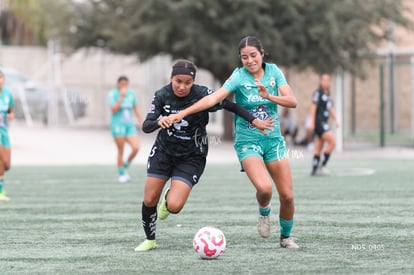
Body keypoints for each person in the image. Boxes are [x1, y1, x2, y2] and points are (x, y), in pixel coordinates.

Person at [169, 36, 300, 249]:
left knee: (287, 195)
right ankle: (264, 210)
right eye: (244, 57)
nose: (249, 60)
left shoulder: (274, 72)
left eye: (253, 55)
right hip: (248, 141)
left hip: (273, 140)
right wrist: (183, 112)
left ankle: (286, 237)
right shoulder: (238, 76)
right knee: (265, 189)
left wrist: (269, 96)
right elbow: (213, 99)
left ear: (262, 54)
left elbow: (292, 101)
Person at [135, 60, 272, 252]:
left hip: (192, 157)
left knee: (174, 206)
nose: (182, 86)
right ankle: (150, 239)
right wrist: (160, 121)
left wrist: (254, 120)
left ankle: (168, 200)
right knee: (149, 199)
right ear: (171, 78)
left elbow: (231, 106)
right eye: (178, 81)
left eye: (187, 82)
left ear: (193, 82)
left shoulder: (202, 94)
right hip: (163, 153)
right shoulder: (161, 95)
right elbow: (146, 126)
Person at [108, 76, 144, 183]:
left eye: (125, 84)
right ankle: (122, 174)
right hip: (117, 125)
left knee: (136, 147)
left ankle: (125, 165)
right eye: (122, 83)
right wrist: (121, 97)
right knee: (121, 149)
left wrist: (142, 120)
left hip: (129, 125)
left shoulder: (131, 93)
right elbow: (114, 109)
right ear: (118, 84)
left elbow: (136, 108)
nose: (124, 86)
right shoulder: (113, 94)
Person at [309, 74, 339, 176]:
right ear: (320, 81)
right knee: (332, 142)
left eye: (327, 80)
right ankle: (323, 165)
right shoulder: (318, 93)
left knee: (319, 146)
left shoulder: (328, 94)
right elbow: (313, 108)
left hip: (323, 123)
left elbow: (330, 108)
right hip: (319, 122)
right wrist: (312, 123)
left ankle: (314, 169)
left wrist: (336, 119)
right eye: (323, 80)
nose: (325, 82)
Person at [0, 70, 15, 202]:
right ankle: (1, 191)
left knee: (7, 164)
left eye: (1, 78)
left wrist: (5, 116)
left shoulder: (7, 94)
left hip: (4, 132)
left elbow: (11, 113)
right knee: (0, 161)